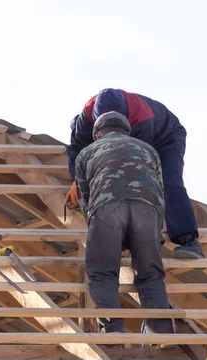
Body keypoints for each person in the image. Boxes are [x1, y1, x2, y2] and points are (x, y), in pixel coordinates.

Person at [66, 88, 204, 259]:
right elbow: (76, 147)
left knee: (166, 183)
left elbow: (135, 170)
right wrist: (75, 182)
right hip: (120, 136)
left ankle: (188, 241)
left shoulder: (141, 118)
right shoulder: (85, 117)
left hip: (165, 138)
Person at [75, 111, 174, 335]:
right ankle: (162, 333)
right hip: (148, 212)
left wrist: (104, 237)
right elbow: (160, 192)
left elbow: (85, 198)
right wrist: (155, 234)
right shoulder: (148, 150)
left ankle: (112, 329)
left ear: (97, 133)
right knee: (150, 275)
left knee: (102, 273)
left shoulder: (87, 152)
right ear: (125, 130)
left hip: (107, 210)